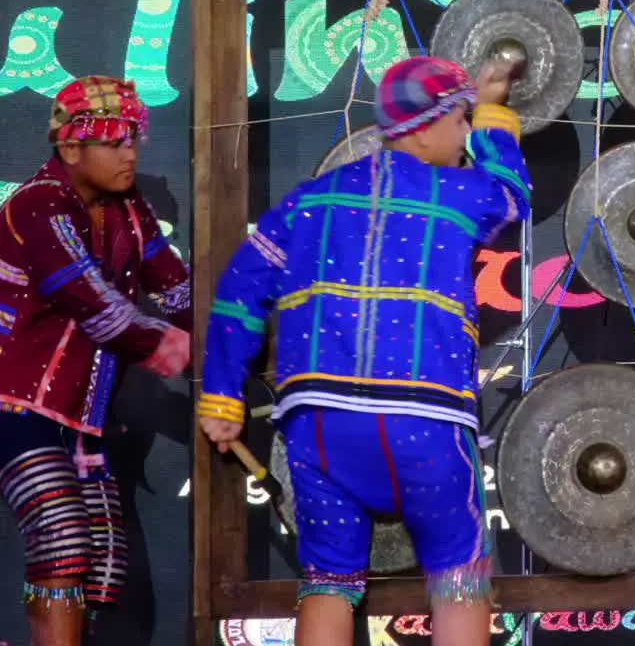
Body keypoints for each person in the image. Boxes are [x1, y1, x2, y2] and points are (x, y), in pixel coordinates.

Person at [197, 56, 531, 646]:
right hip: (424, 425)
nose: (466, 137)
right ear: (428, 126)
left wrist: (221, 398)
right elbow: (510, 197)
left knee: (328, 581)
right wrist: (496, 110)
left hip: (320, 430)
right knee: (459, 581)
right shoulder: (456, 191)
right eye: (462, 122)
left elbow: (239, 290)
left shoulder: (310, 200)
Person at [0, 75, 192, 645]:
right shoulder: (36, 204)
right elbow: (89, 299)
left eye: (133, 137)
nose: (130, 151)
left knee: (104, 567)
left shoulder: (130, 209)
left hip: (81, 418)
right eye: (114, 140)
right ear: (71, 147)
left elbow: (175, 286)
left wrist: (224, 336)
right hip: (17, 405)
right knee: (62, 541)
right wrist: (163, 342)